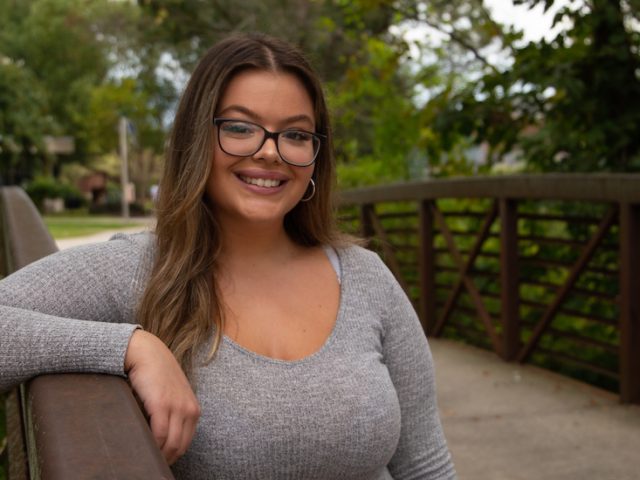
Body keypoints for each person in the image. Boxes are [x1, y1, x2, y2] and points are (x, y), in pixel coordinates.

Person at [0, 34, 456, 479]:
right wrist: (131, 347)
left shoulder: (364, 277)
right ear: (196, 140)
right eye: (239, 127)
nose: (270, 152)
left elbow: (426, 465)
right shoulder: (144, 268)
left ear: (316, 156)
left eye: (295, 134)